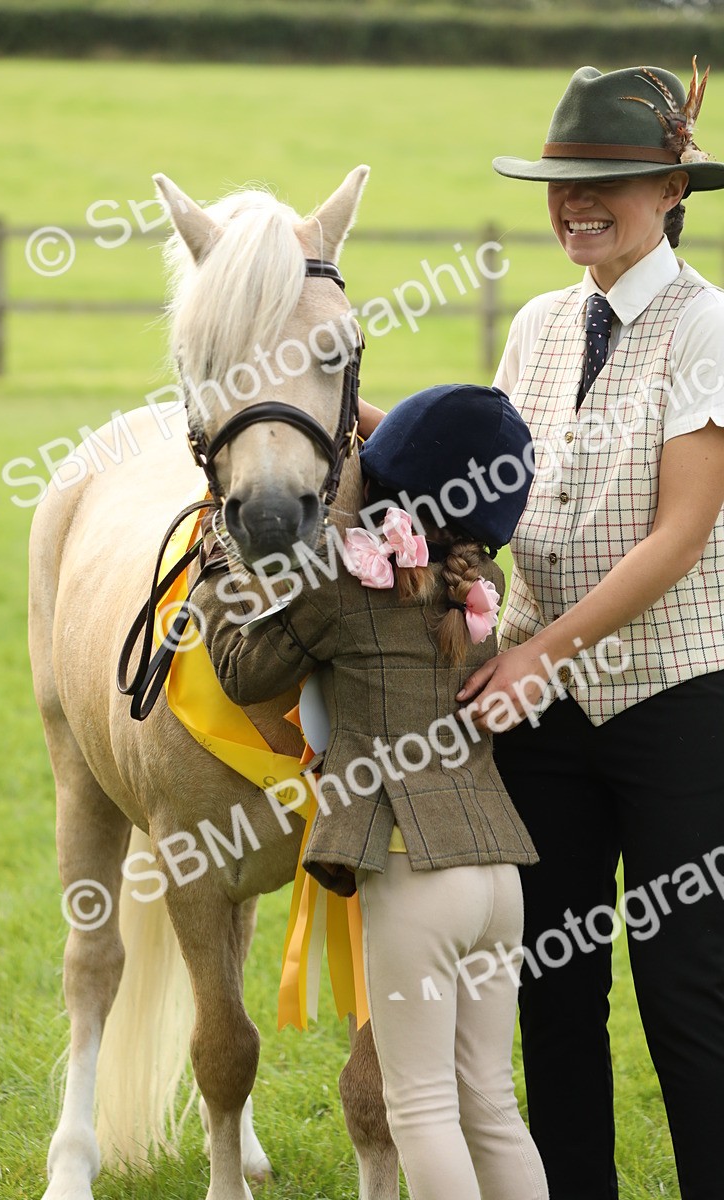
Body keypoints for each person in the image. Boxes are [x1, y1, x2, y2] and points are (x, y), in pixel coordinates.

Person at [366, 61, 724, 1200]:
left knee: (685, 981)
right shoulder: (534, 325)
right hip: (535, 713)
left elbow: (677, 536)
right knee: (546, 985)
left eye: (608, 181)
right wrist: (340, 421)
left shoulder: (707, 328)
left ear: (670, 186)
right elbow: (485, 486)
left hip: (677, 702)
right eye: (562, 180)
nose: (578, 201)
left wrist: (535, 654)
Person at [192, 383, 549, 1200]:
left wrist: (216, 571)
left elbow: (245, 671)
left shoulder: (341, 587)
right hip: (500, 879)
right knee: (491, 1105)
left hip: (413, 872)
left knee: (420, 1107)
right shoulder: (476, 586)